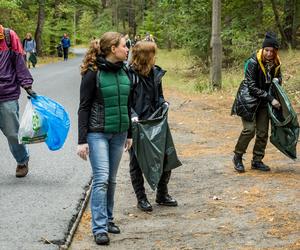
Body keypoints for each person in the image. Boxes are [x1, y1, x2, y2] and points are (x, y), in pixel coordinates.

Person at [77, 33, 132, 246]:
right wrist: (82, 140)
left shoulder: (124, 71)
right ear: (112, 49)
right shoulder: (93, 74)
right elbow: (83, 107)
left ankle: (108, 219)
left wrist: (129, 133)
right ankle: (99, 228)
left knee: (112, 179)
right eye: (124, 46)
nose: (127, 49)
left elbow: (127, 103)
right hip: (97, 132)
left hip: (119, 133)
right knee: (101, 178)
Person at [128, 41, 178, 212]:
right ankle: (141, 198)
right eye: (153, 54)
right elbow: (125, 102)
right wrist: (133, 116)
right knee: (137, 162)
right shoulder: (128, 74)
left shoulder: (156, 73)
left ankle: (162, 194)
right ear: (145, 56)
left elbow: (160, 96)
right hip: (138, 125)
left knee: (166, 157)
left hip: (157, 122)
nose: (155, 57)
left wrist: (163, 103)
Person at [231, 31, 282, 173]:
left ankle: (257, 160)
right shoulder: (253, 62)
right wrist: (271, 99)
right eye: (267, 50)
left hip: (264, 102)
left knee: (263, 132)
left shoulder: (276, 63)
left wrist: (277, 83)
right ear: (262, 49)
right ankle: (238, 156)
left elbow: (278, 81)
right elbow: (252, 87)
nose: (269, 53)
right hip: (248, 101)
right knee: (249, 130)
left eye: (272, 51)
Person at [0, 24, 36, 177]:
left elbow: (20, 63)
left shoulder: (8, 37)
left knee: (12, 133)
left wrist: (27, 84)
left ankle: (22, 160)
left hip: (6, 93)